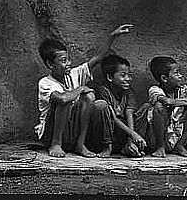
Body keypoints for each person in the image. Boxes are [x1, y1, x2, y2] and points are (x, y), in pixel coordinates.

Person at [34, 24, 133, 158]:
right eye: (63, 61)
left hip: (71, 131)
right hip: (51, 133)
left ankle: (80, 144)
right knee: (66, 100)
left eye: (68, 59)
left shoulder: (75, 74)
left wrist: (112, 37)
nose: (68, 63)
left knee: (89, 96)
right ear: (50, 64)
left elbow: (98, 57)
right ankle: (56, 144)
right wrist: (80, 88)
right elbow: (62, 99)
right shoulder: (45, 82)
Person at [135, 56, 187, 158]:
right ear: (164, 78)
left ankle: (180, 145)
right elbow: (168, 101)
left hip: (177, 134)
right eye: (176, 73)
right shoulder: (155, 89)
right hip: (158, 137)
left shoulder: (183, 90)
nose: (180, 76)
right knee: (159, 106)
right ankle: (160, 147)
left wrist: (184, 101)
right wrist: (186, 102)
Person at [87, 54, 147, 158]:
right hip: (106, 132)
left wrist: (131, 140)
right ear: (110, 77)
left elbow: (129, 114)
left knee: (146, 108)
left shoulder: (129, 92)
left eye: (129, 75)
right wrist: (132, 134)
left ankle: (129, 147)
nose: (128, 79)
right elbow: (112, 117)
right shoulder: (103, 91)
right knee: (100, 106)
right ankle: (107, 147)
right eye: (123, 75)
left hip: (123, 134)